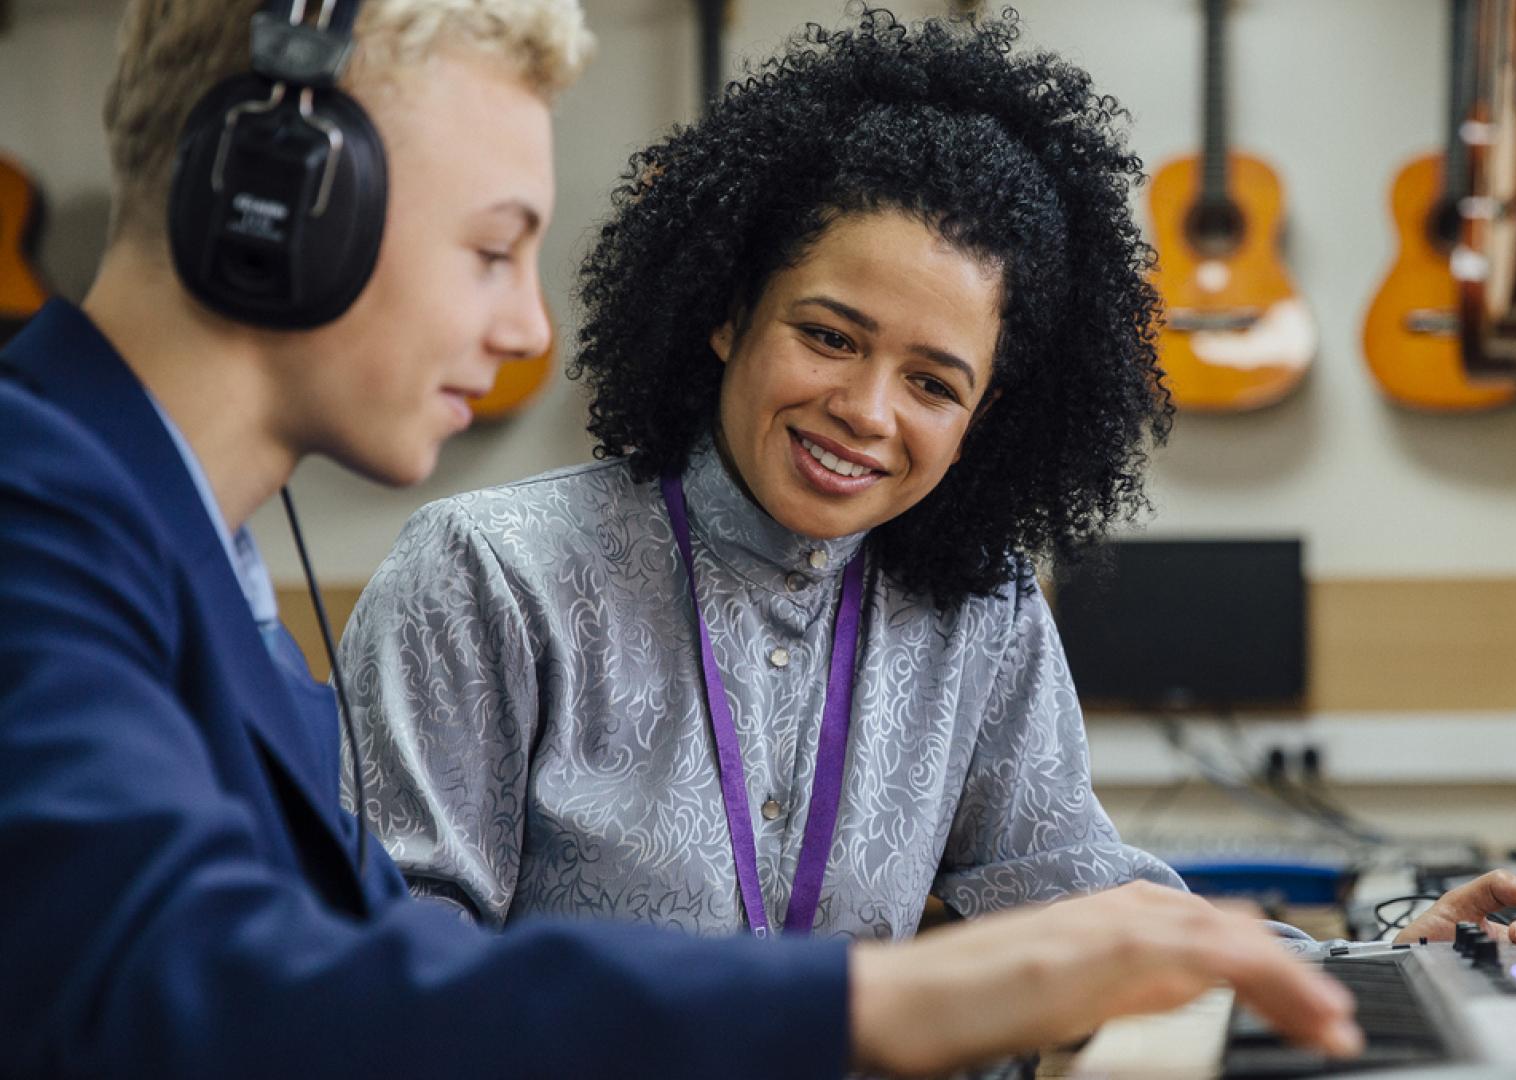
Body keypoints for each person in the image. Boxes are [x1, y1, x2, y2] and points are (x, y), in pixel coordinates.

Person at [0, 0, 1372, 1075]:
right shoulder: (39, 519)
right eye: (491, 248)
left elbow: (334, 969)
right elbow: (198, 991)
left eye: (936, 380)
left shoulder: (185, 555)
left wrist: (1375, 958)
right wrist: (872, 998)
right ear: (277, 209)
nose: (530, 327)